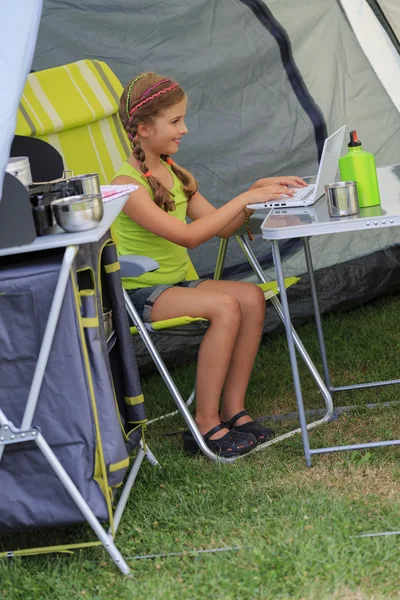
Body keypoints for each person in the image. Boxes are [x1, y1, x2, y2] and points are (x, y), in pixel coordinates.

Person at [111, 72, 307, 458]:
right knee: (224, 304)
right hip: (139, 292)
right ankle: (203, 424)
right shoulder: (129, 186)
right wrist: (245, 196)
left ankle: (233, 410)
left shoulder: (177, 173)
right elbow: (188, 236)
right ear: (144, 129)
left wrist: (257, 193)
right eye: (175, 121)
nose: (184, 129)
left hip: (179, 285)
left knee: (250, 296)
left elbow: (224, 228)